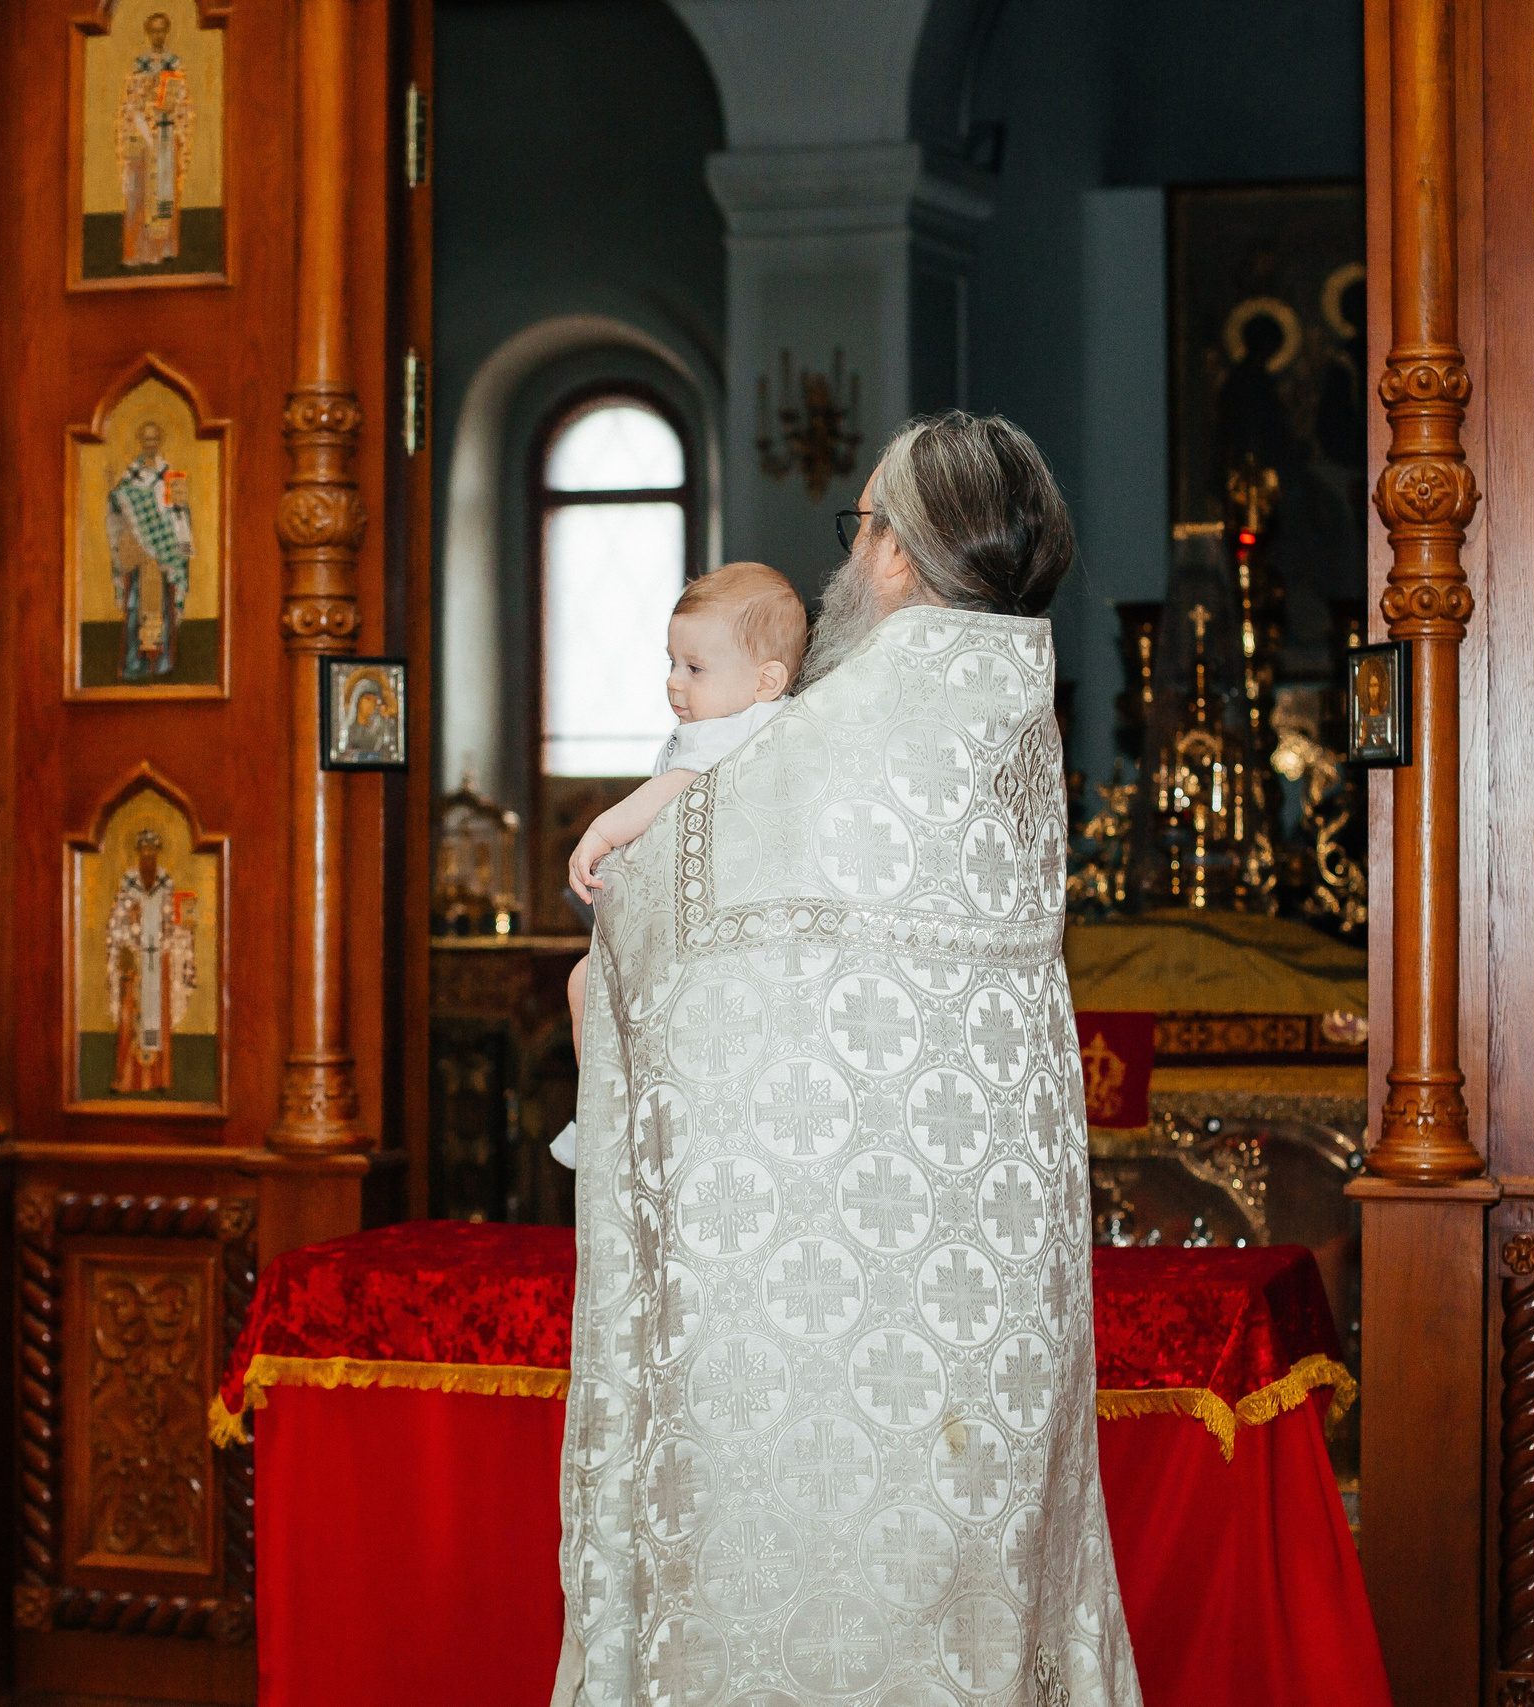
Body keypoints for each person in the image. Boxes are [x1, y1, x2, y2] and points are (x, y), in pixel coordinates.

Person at [554, 413, 1143, 1707]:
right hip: (988, 1277)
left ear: (899, 554)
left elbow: (658, 911)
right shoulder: (1013, 713)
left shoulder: (852, 726)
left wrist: (611, 953)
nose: (852, 552)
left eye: (866, 521)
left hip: (828, 1304)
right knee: (982, 1584)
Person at [547, 560, 807, 1167]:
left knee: (586, 982)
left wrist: (602, 830)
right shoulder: (771, 721)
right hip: (729, 924)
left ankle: (607, 1118)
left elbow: (675, 789)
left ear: (767, 680)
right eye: (670, 663)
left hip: (717, 931)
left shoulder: (736, 730)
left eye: (694, 668)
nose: (673, 683)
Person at [106, 827, 196, 1094]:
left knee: (158, 1018)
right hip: (134, 961)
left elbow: (179, 924)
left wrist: (185, 927)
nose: (148, 857)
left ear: (157, 854)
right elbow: (114, 924)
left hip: (159, 960)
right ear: (137, 854)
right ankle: (126, 1079)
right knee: (131, 1018)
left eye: (152, 851)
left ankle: (159, 1080)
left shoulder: (167, 886)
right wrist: (124, 940)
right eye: (143, 851)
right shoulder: (128, 885)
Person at [105, 419, 192, 679]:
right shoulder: (130, 477)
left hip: (164, 554)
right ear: (140, 442)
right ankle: (135, 665)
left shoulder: (170, 475)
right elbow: (119, 510)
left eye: (155, 439)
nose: (151, 444)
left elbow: (179, 515)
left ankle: (161, 663)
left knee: (163, 608)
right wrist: (113, 493)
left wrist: (178, 546)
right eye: (147, 439)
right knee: (134, 609)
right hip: (139, 555)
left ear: (160, 442)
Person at [117, 11, 192, 267]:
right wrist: (142, 120)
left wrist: (172, 115)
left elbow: (182, 103)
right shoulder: (140, 64)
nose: (158, 35)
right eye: (154, 30)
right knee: (140, 193)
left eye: (163, 30)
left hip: (166, 135)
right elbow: (131, 103)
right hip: (143, 136)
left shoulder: (174, 64)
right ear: (148, 33)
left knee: (164, 192)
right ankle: (139, 251)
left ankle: (164, 247)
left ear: (167, 32)